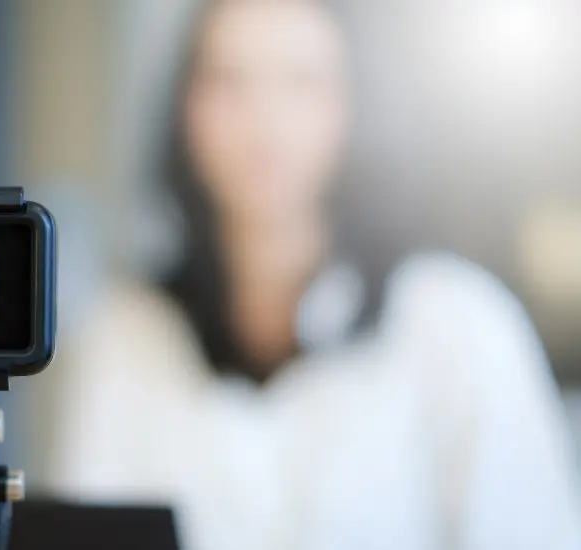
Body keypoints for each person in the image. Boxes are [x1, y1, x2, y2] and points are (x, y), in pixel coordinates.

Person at [36, 1, 581, 549]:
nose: (262, 117)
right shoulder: (123, 337)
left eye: (301, 81)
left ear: (354, 104)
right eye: (228, 80)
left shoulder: (459, 326)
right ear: (183, 109)